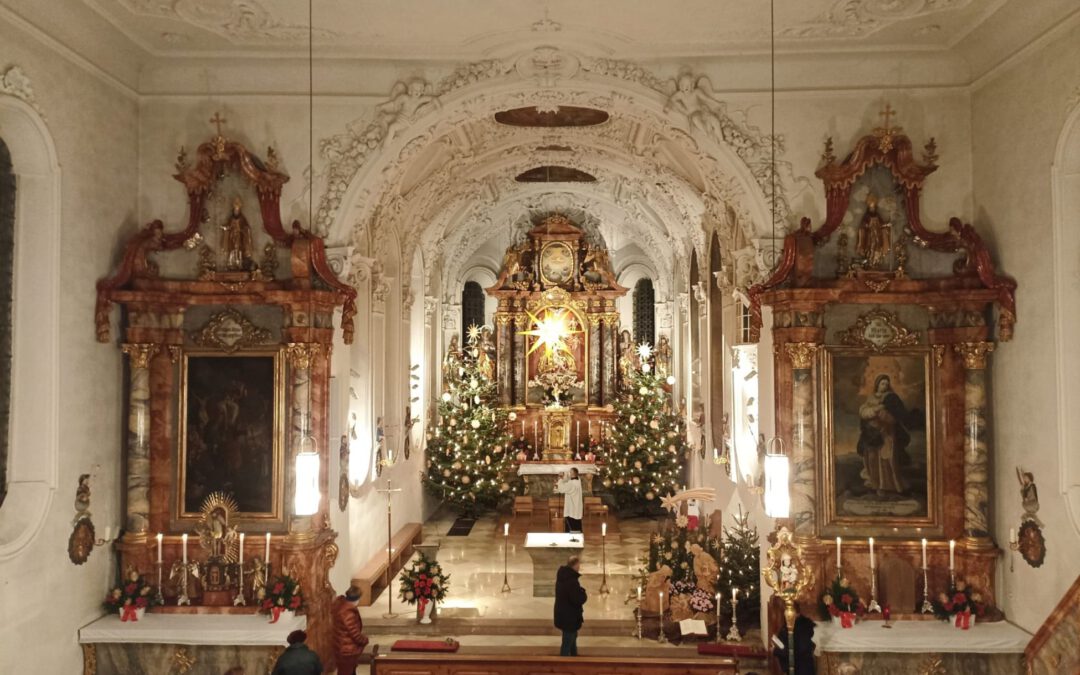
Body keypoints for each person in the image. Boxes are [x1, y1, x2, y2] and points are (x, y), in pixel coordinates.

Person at [857, 374, 922, 495]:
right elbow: (863, 413)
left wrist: (883, 416)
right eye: (882, 383)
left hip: (887, 433)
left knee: (886, 459)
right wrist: (874, 412)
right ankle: (876, 484)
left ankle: (889, 485)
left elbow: (895, 417)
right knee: (872, 459)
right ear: (877, 384)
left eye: (887, 384)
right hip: (872, 434)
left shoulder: (891, 398)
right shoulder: (871, 398)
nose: (885, 386)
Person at [554, 556, 587, 657]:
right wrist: (583, 592)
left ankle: (574, 657)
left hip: (564, 613)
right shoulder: (571, 581)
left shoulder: (563, 576)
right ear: (575, 565)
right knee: (568, 641)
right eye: (579, 564)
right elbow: (578, 599)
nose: (579, 567)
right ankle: (564, 664)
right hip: (569, 616)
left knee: (572, 637)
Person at [332, 586, 369, 675]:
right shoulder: (347, 612)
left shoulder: (341, 605)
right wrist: (364, 640)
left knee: (349, 671)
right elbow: (354, 633)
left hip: (342, 645)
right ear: (357, 598)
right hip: (347, 649)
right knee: (346, 672)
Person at [556, 468, 583, 533]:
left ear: (572, 474)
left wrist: (560, 478)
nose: (568, 473)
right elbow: (568, 480)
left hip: (571, 511)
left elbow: (561, 489)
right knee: (577, 526)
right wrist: (565, 477)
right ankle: (578, 540)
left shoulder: (571, 484)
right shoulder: (578, 480)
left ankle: (571, 541)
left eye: (570, 472)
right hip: (577, 510)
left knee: (571, 528)